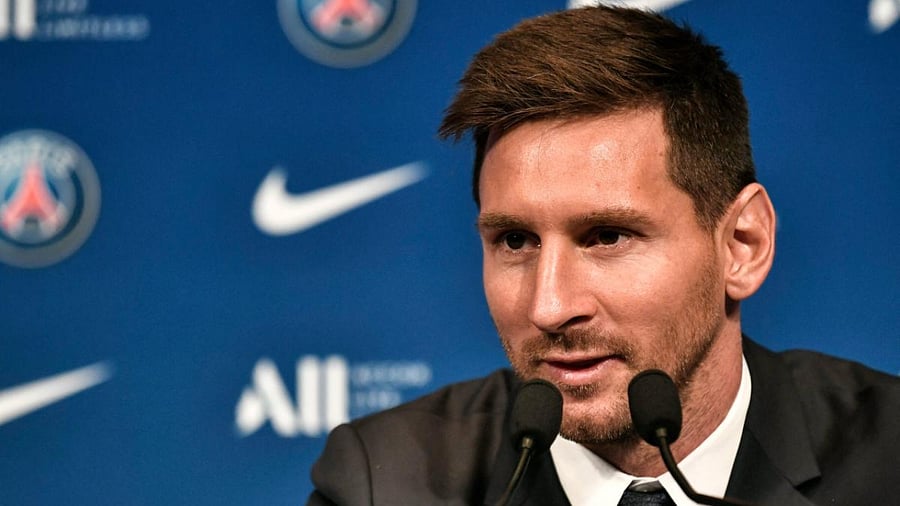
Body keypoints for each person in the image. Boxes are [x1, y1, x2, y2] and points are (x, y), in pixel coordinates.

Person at [307, 6, 900, 505]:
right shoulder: (382, 483)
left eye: (607, 237)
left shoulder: (888, 458)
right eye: (515, 241)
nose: (550, 306)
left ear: (742, 245)